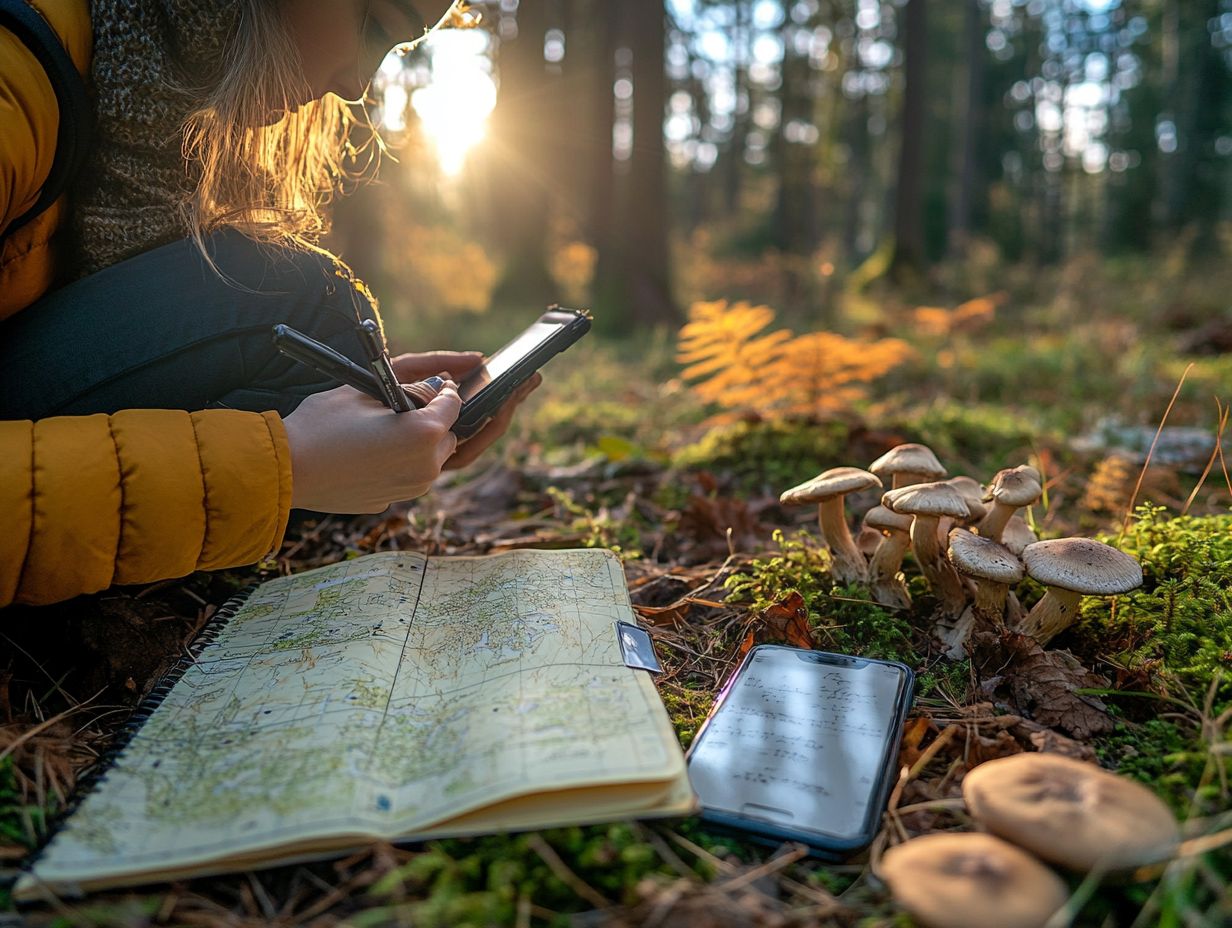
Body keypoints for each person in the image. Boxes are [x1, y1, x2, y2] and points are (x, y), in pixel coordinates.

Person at [0, 0, 535, 607]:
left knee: (321, 339)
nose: (358, 87)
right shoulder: (16, 88)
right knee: (299, 298)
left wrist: (392, 448)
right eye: (375, 25)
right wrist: (286, 466)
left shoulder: (145, 89)